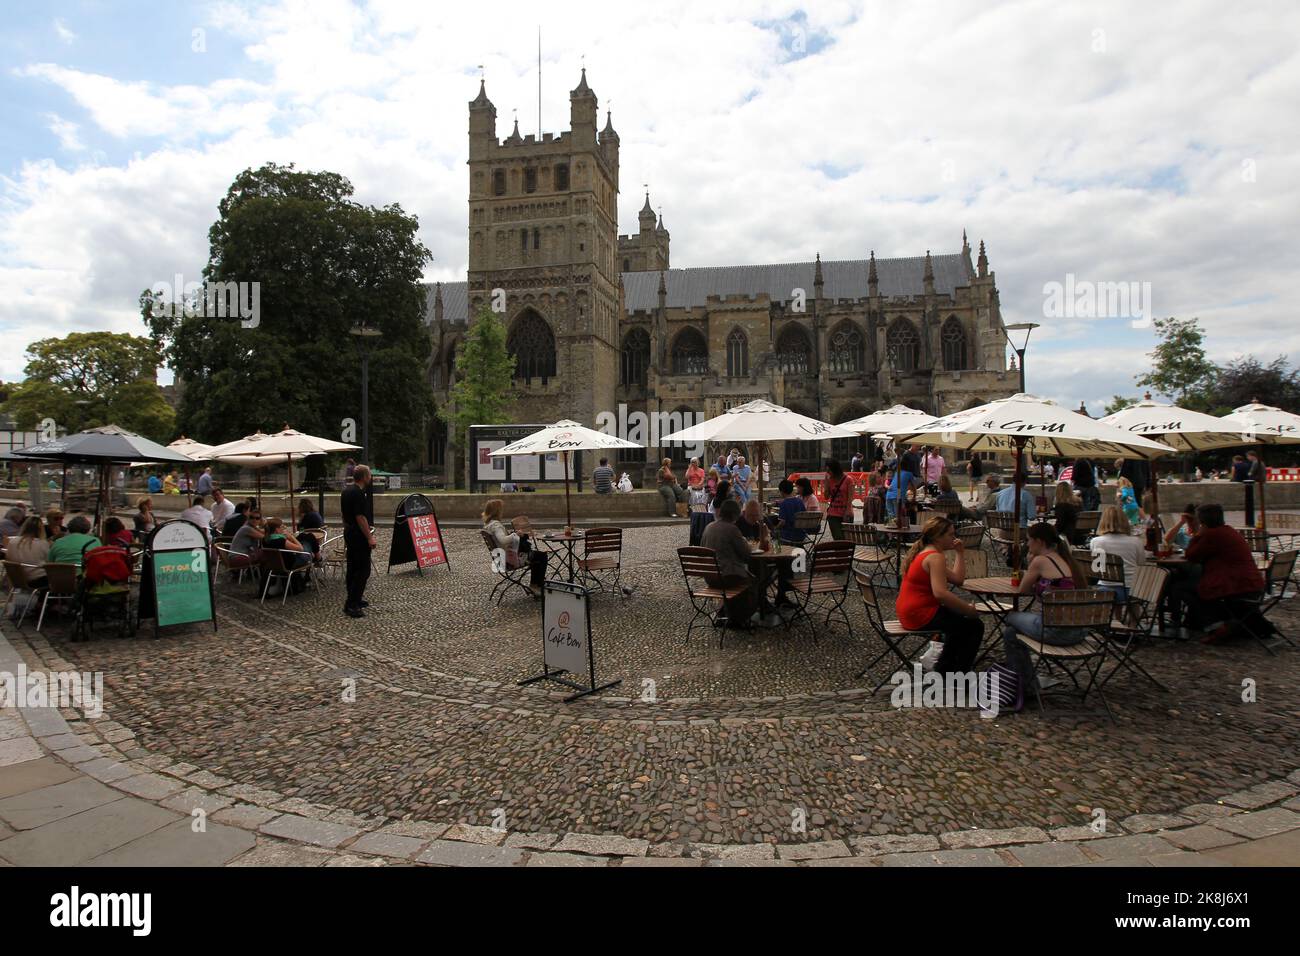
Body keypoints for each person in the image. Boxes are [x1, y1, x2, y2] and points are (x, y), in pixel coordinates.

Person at [999, 523, 1088, 698]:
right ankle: (1027, 685)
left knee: (1009, 618)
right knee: (1011, 633)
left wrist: (1030, 565)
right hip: (1079, 630)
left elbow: (1023, 590)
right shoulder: (1066, 559)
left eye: (1029, 540)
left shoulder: (1040, 561)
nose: (1027, 544)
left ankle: (1023, 686)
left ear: (1039, 541)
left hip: (1054, 630)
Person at [894, 516, 984, 675]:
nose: (954, 538)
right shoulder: (935, 557)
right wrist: (968, 610)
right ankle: (959, 674)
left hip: (909, 611)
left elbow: (958, 579)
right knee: (975, 626)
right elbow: (941, 594)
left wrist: (960, 553)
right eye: (950, 534)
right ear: (938, 537)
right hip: (919, 613)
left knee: (958, 624)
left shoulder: (926, 552)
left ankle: (945, 668)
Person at [1184, 503, 1271, 643]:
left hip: (1237, 585)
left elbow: (1191, 555)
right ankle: (1206, 623)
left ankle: (1216, 626)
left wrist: (1197, 534)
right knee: (1195, 584)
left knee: (1186, 588)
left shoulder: (1213, 535)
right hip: (1251, 582)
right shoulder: (1228, 531)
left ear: (1203, 522)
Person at [701, 498, 767, 629]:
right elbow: (746, 554)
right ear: (735, 515)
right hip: (727, 577)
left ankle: (727, 613)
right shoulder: (732, 529)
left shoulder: (709, 527)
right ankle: (740, 618)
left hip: (710, 577)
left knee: (743, 577)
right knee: (755, 580)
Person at [482, 498, 547, 596]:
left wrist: (514, 534)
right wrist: (514, 535)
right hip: (509, 560)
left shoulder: (488, 524)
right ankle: (535, 585)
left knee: (536, 555)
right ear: (497, 511)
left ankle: (536, 584)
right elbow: (503, 540)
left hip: (501, 558)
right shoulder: (496, 525)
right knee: (541, 556)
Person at [341, 464, 376, 618]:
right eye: (369, 475)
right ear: (364, 477)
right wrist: (369, 537)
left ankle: (355, 598)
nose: (371, 478)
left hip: (349, 531)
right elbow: (360, 517)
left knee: (353, 567)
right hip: (357, 534)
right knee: (363, 570)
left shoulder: (346, 491)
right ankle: (352, 604)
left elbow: (344, 515)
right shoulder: (359, 493)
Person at [1090, 506, 1145, 603]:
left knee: (1109, 593)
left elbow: (1097, 568)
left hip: (1105, 589)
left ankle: (1117, 617)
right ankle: (1134, 617)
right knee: (1134, 601)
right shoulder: (1136, 542)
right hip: (1131, 589)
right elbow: (1141, 565)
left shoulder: (1095, 541)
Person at [7, 517, 49, 587]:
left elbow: (8, 558)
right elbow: (49, 561)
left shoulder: (12, 542)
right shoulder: (42, 543)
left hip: (17, 578)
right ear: (41, 529)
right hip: (37, 579)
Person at [824, 459, 853, 539]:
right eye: (827, 471)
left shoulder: (848, 480)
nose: (828, 472)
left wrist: (848, 510)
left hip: (845, 512)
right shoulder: (830, 480)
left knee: (847, 538)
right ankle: (839, 551)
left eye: (829, 470)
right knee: (838, 537)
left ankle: (847, 552)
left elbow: (850, 498)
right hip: (833, 513)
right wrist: (826, 484)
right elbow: (826, 497)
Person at [1052, 481, 1082, 545]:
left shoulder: (1062, 506)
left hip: (1066, 535)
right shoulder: (1078, 503)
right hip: (1079, 533)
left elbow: (1060, 524)